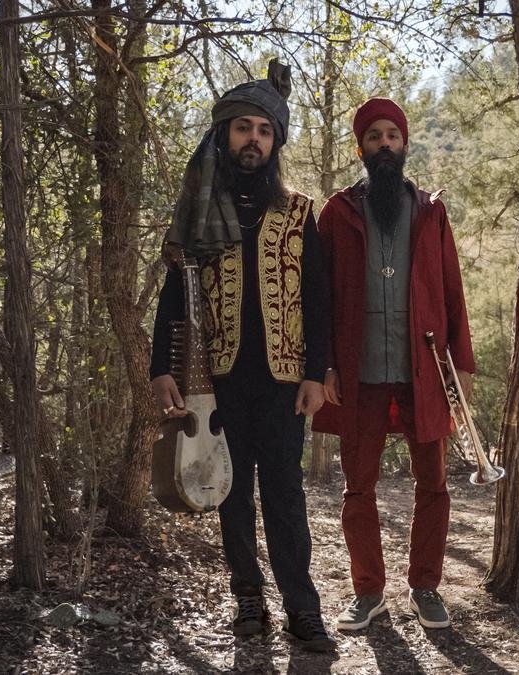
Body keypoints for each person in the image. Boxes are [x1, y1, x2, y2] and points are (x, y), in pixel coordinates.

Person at [149, 61, 335, 652]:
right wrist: (161, 369)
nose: (252, 138)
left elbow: (319, 299)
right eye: (242, 128)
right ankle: (247, 601)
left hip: (283, 379)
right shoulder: (200, 210)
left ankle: (302, 608)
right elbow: (174, 294)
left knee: (285, 495)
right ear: (224, 135)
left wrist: (314, 375)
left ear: (276, 141)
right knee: (231, 492)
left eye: (264, 130)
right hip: (218, 378)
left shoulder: (301, 213)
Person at [312, 97, 474, 631]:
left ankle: (425, 587)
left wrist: (461, 368)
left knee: (434, 485)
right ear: (361, 148)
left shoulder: (430, 210)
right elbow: (321, 297)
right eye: (375, 136)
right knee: (358, 489)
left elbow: (452, 291)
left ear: (404, 145)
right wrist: (325, 366)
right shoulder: (337, 213)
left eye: (393, 136)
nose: (385, 144)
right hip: (358, 375)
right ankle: (368, 592)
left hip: (423, 371)